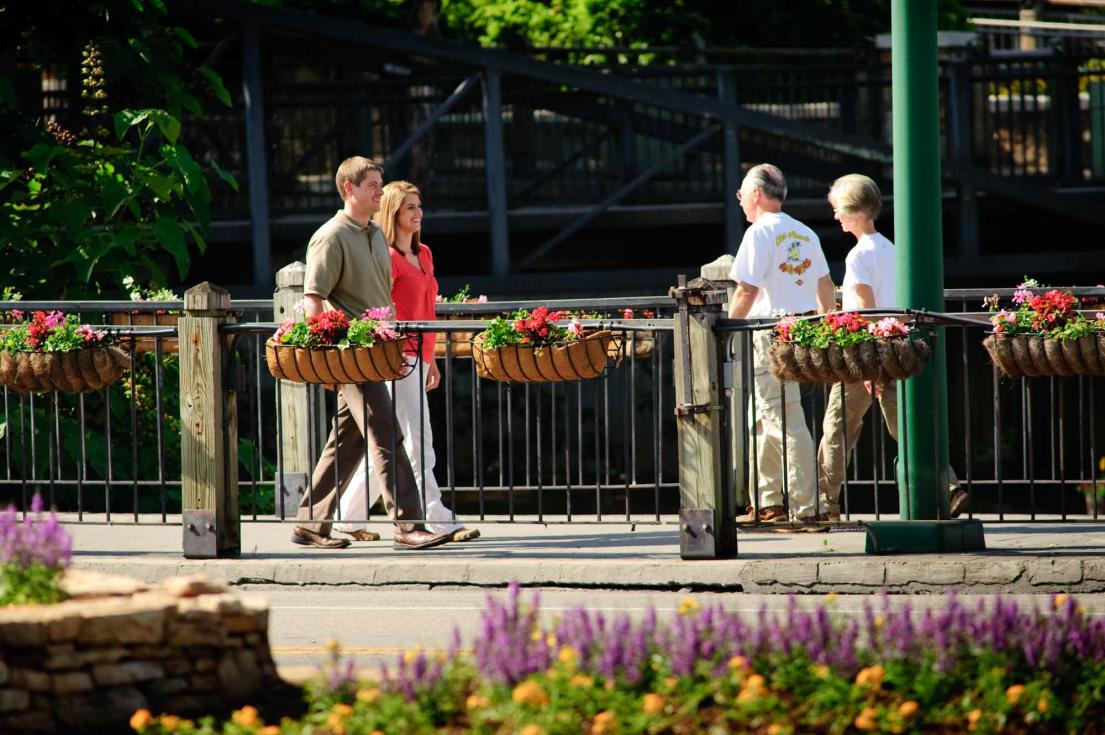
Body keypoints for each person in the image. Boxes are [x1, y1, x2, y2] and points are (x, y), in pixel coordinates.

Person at [292, 157, 453, 551]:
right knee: (386, 434)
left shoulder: (374, 235)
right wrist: (327, 359)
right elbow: (314, 302)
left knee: (346, 441)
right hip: (353, 354)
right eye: (373, 185)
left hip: (377, 351)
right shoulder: (331, 236)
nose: (380, 191)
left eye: (381, 185)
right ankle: (408, 525)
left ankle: (310, 523)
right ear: (349, 189)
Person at [815, 174, 967, 520]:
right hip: (897, 349)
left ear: (854, 211)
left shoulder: (858, 257)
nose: (836, 216)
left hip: (867, 355)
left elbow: (869, 311)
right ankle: (948, 486)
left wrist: (870, 366)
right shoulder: (890, 249)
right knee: (907, 428)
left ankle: (825, 505)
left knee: (838, 426)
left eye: (838, 209)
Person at [334, 181, 480, 542]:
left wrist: (431, 359)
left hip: (418, 356)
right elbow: (380, 310)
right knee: (416, 440)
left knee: (388, 443)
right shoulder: (388, 259)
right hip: (397, 358)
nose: (418, 213)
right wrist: (397, 355)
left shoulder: (424, 253)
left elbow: (426, 310)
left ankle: (346, 518)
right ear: (394, 214)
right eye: (410, 208)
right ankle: (437, 517)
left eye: (419, 206)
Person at [728, 163, 835, 524]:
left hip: (768, 332)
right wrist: (823, 330)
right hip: (798, 332)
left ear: (756, 194)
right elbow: (825, 287)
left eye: (742, 194)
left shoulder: (759, 233)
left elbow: (747, 289)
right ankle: (767, 500)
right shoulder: (804, 233)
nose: (740, 200)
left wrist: (725, 326)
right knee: (764, 414)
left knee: (782, 418)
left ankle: (807, 506)